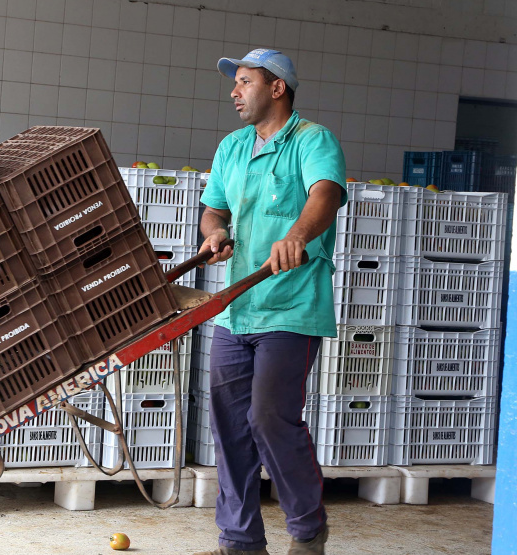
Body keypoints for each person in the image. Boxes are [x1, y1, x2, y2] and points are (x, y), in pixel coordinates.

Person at [192, 49, 347, 555]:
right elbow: (212, 209)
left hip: (291, 307)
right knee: (230, 426)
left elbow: (324, 193)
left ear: (276, 88)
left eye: (244, 82)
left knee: (268, 418)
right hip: (236, 307)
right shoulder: (232, 147)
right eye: (234, 84)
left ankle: (307, 528)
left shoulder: (312, 140)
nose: (234, 93)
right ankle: (239, 540)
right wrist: (214, 235)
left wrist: (298, 235)